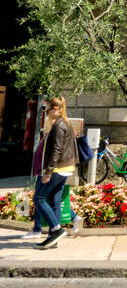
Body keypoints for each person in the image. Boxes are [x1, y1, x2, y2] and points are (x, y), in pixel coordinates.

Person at [30, 97, 82, 249]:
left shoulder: (59, 125)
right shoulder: (65, 123)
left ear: (56, 109)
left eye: (47, 110)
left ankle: (56, 230)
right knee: (54, 201)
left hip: (58, 168)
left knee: (39, 198)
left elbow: (57, 149)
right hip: (65, 168)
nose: (46, 113)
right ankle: (54, 238)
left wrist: (48, 171)